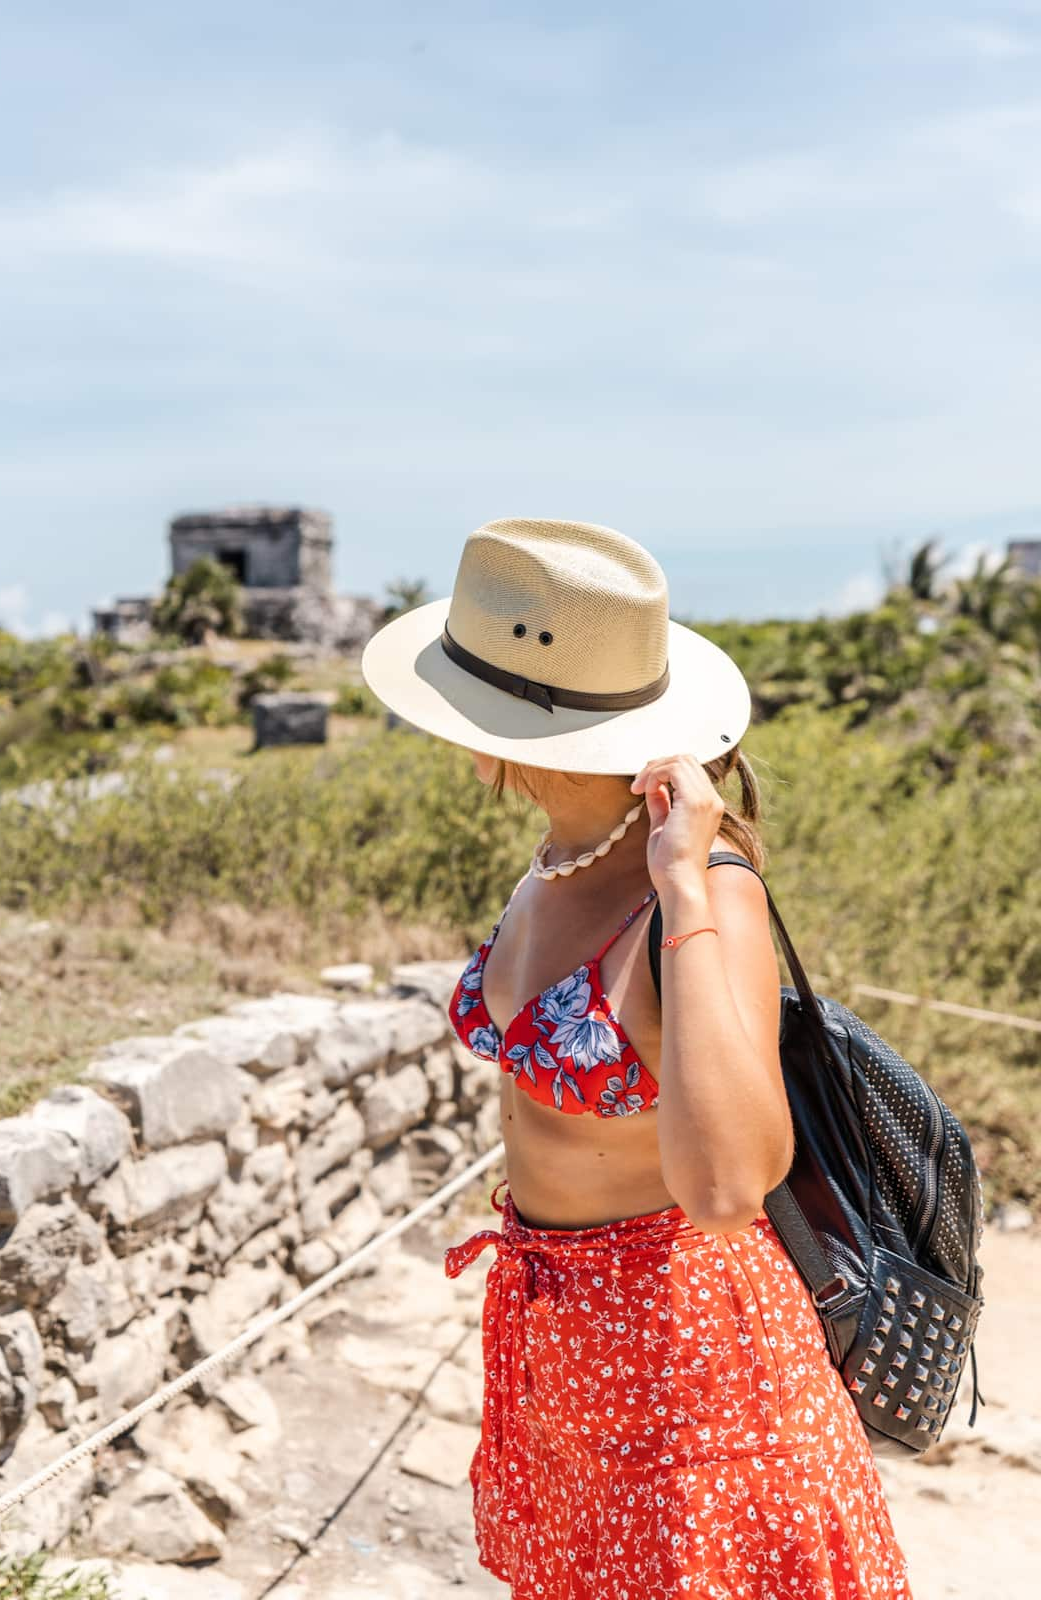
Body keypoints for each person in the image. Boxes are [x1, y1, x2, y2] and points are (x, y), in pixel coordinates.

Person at [361, 518, 913, 1599]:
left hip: (693, 1374)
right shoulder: (557, 859)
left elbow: (723, 1187)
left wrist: (688, 893)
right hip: (563, 1354)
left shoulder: (703, 887)